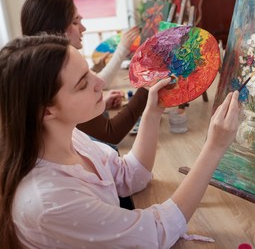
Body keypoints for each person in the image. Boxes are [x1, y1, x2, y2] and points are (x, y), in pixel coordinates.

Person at [0, 34, 240, 248]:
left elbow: (130, 175)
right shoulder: (50, 202)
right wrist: (214, 147)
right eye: (83, 84)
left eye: (90, 72)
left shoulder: (70, 136)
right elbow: (156, 234)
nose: (100, 83)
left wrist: (152, 112)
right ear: (46, 112)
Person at [20, 0, 147, 144]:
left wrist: (99, 105)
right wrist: (146, 89)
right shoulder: (51, 75)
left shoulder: (38, 66)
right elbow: (111, 133)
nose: (83, 28)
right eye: (75, 22)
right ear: (54, 30)